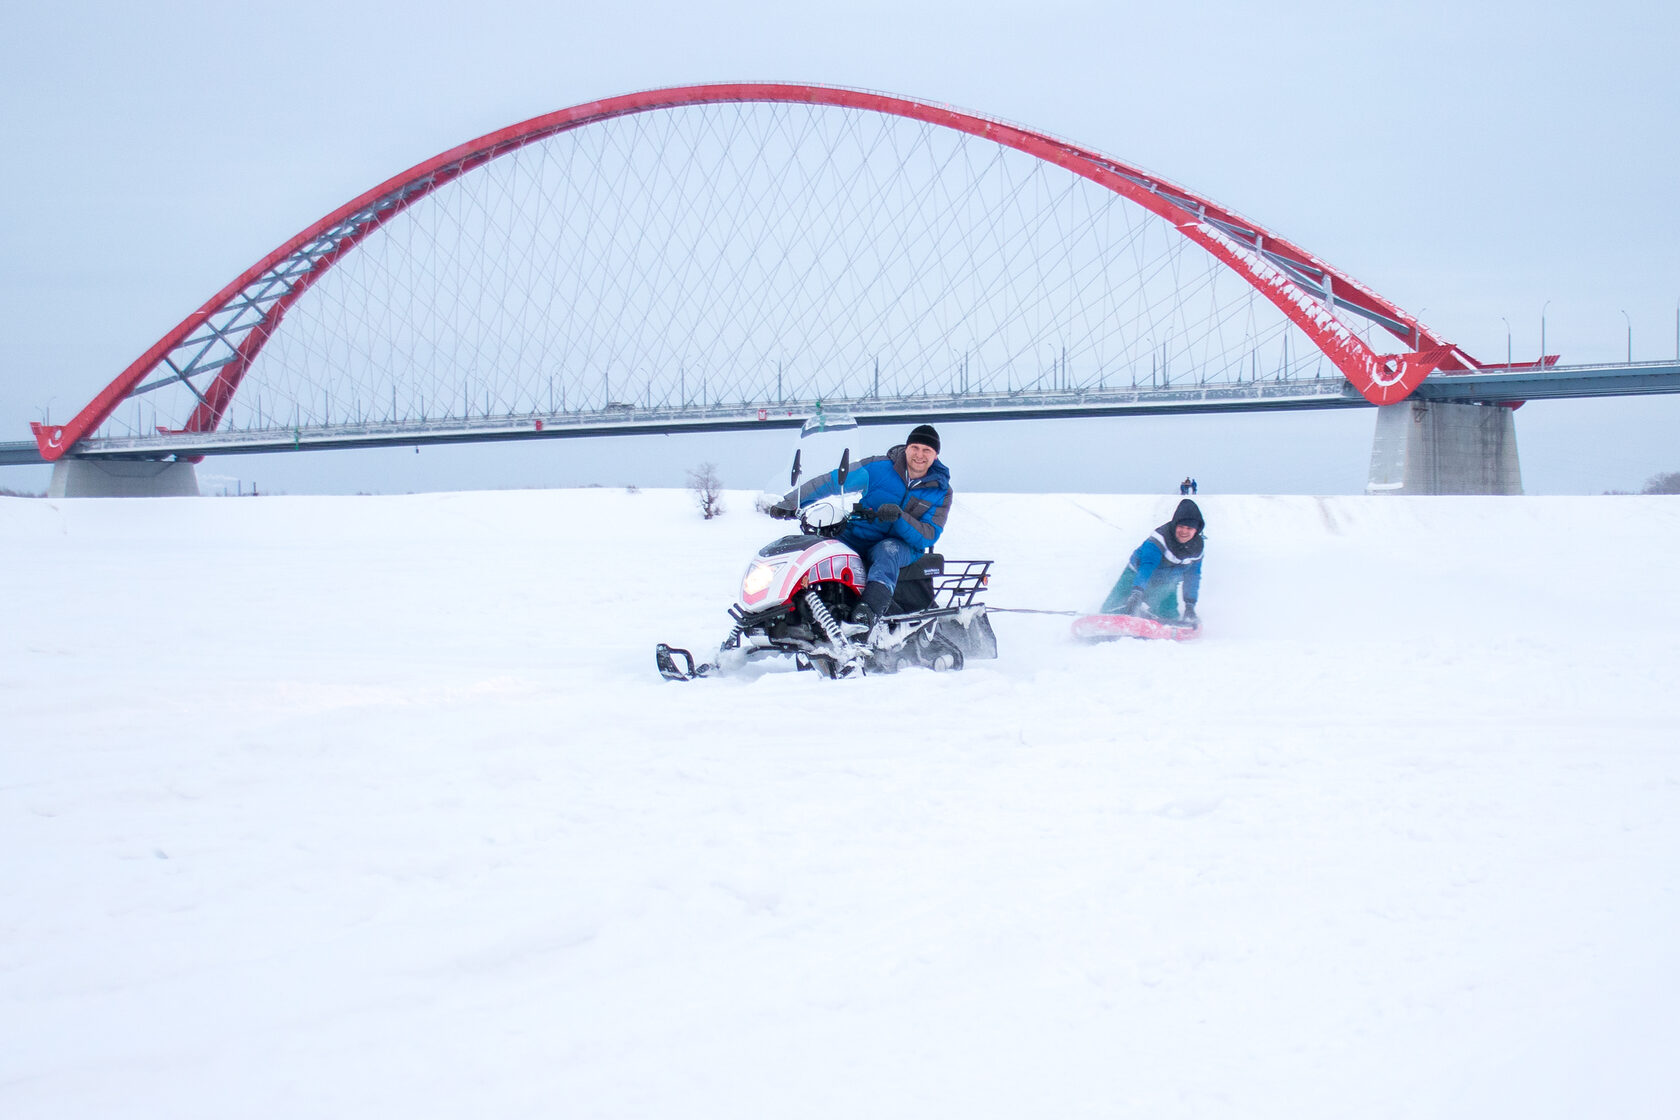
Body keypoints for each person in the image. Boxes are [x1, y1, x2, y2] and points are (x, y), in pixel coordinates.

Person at [770, 423, 952, 629]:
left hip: (904, 546)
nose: (920, 455)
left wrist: (899, 518)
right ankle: (794, 606)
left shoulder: (941, 491)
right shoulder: (879, 468)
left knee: (887, 550)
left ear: (936, 455)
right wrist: (791, 502)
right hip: (859, 534)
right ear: (907, 448)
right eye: (915, 448)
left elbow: (929, 535)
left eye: (927, 450)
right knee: (823, 546)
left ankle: (867, 612)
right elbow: (832, 481)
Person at [1099, 498, 1204, 626]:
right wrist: (1137, 592)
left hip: (1166, 583)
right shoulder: (1159, 539)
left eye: (1189, 528)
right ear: (1175, 524)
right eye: (1181, 526)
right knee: (1111, 608)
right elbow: (1146, 567)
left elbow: (1193, 577)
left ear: (1196, 530)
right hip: (1136, 575)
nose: (1184, 531)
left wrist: (1190, 605)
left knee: (1169, 616)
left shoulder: (1197, 548)